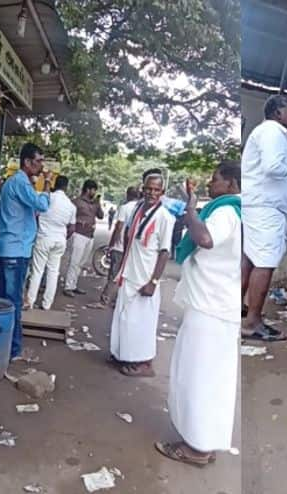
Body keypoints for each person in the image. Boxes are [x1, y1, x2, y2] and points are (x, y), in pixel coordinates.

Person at [156, 161, 241, 466]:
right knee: (210, 379)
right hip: (217, 306)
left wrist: (191, 209)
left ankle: (197, 449)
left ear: (231, 184)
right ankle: (204, 442)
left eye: (215, 179)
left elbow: (205, 239)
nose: (210, 183)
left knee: (199, 378)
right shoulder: (237, 212)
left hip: (211, 309)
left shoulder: (227, 211)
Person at [241, 94, 287, 342]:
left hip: (261, 205)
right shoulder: (272, 131)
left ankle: (240, 313)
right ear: (278, 113)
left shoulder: (269, 133)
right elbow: (272, 167)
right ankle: (253, 322)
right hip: (266, 208)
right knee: (265, 263)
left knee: (250, 260)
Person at [109, 169, 175, 377]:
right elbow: (130, 239)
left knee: (142, 322)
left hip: (145, 278)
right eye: (148, 188)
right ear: (142, 189)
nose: (152, 193)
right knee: (125, 318)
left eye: (156, 190)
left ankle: (145, 363)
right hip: (130, 273)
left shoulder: (164, 217)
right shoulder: (138, 209)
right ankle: (123, 355)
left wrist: (153, 281)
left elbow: (165, 252)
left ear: (162, 192)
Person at [0, 143, 50, 360]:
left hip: (12, 247)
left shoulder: (16, 182)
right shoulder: (20, 182)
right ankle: (14, 349)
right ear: (26, 162)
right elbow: (41, 205)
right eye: (38, 161)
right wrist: (46, 188)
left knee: (0, 298)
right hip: (16, 250)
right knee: (13, 301)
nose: (41, 166)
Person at [25, 175, 76, 310]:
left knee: (37, 271)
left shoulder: (47, 197)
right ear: (66, 187)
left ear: (55, 184)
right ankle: (47, 305)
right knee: (53, 272)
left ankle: (30, 302)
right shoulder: (71, 205)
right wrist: (62, 237)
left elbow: (35, 213)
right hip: (60, 240)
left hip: (44, 238)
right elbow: (72, 228)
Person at [64, 180, 104, 297]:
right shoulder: (76, 202)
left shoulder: (95, 203)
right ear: (88, 190)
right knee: (74, 261)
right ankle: (68, 286)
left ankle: (74, 285)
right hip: (78, 234)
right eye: (93, 190)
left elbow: (100, 216)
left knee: (81, 263)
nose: (95, 192)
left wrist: (98, 204)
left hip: (89, 235)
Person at [103, 187, 141, 303]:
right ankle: (118, 299)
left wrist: (111, 244)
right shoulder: (141, 208)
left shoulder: (125, 208)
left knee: (113, 274)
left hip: (120, 247)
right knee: (126, 275)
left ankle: (105, 299)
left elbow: (119, 227)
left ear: (127, 195)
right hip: (132, 249)